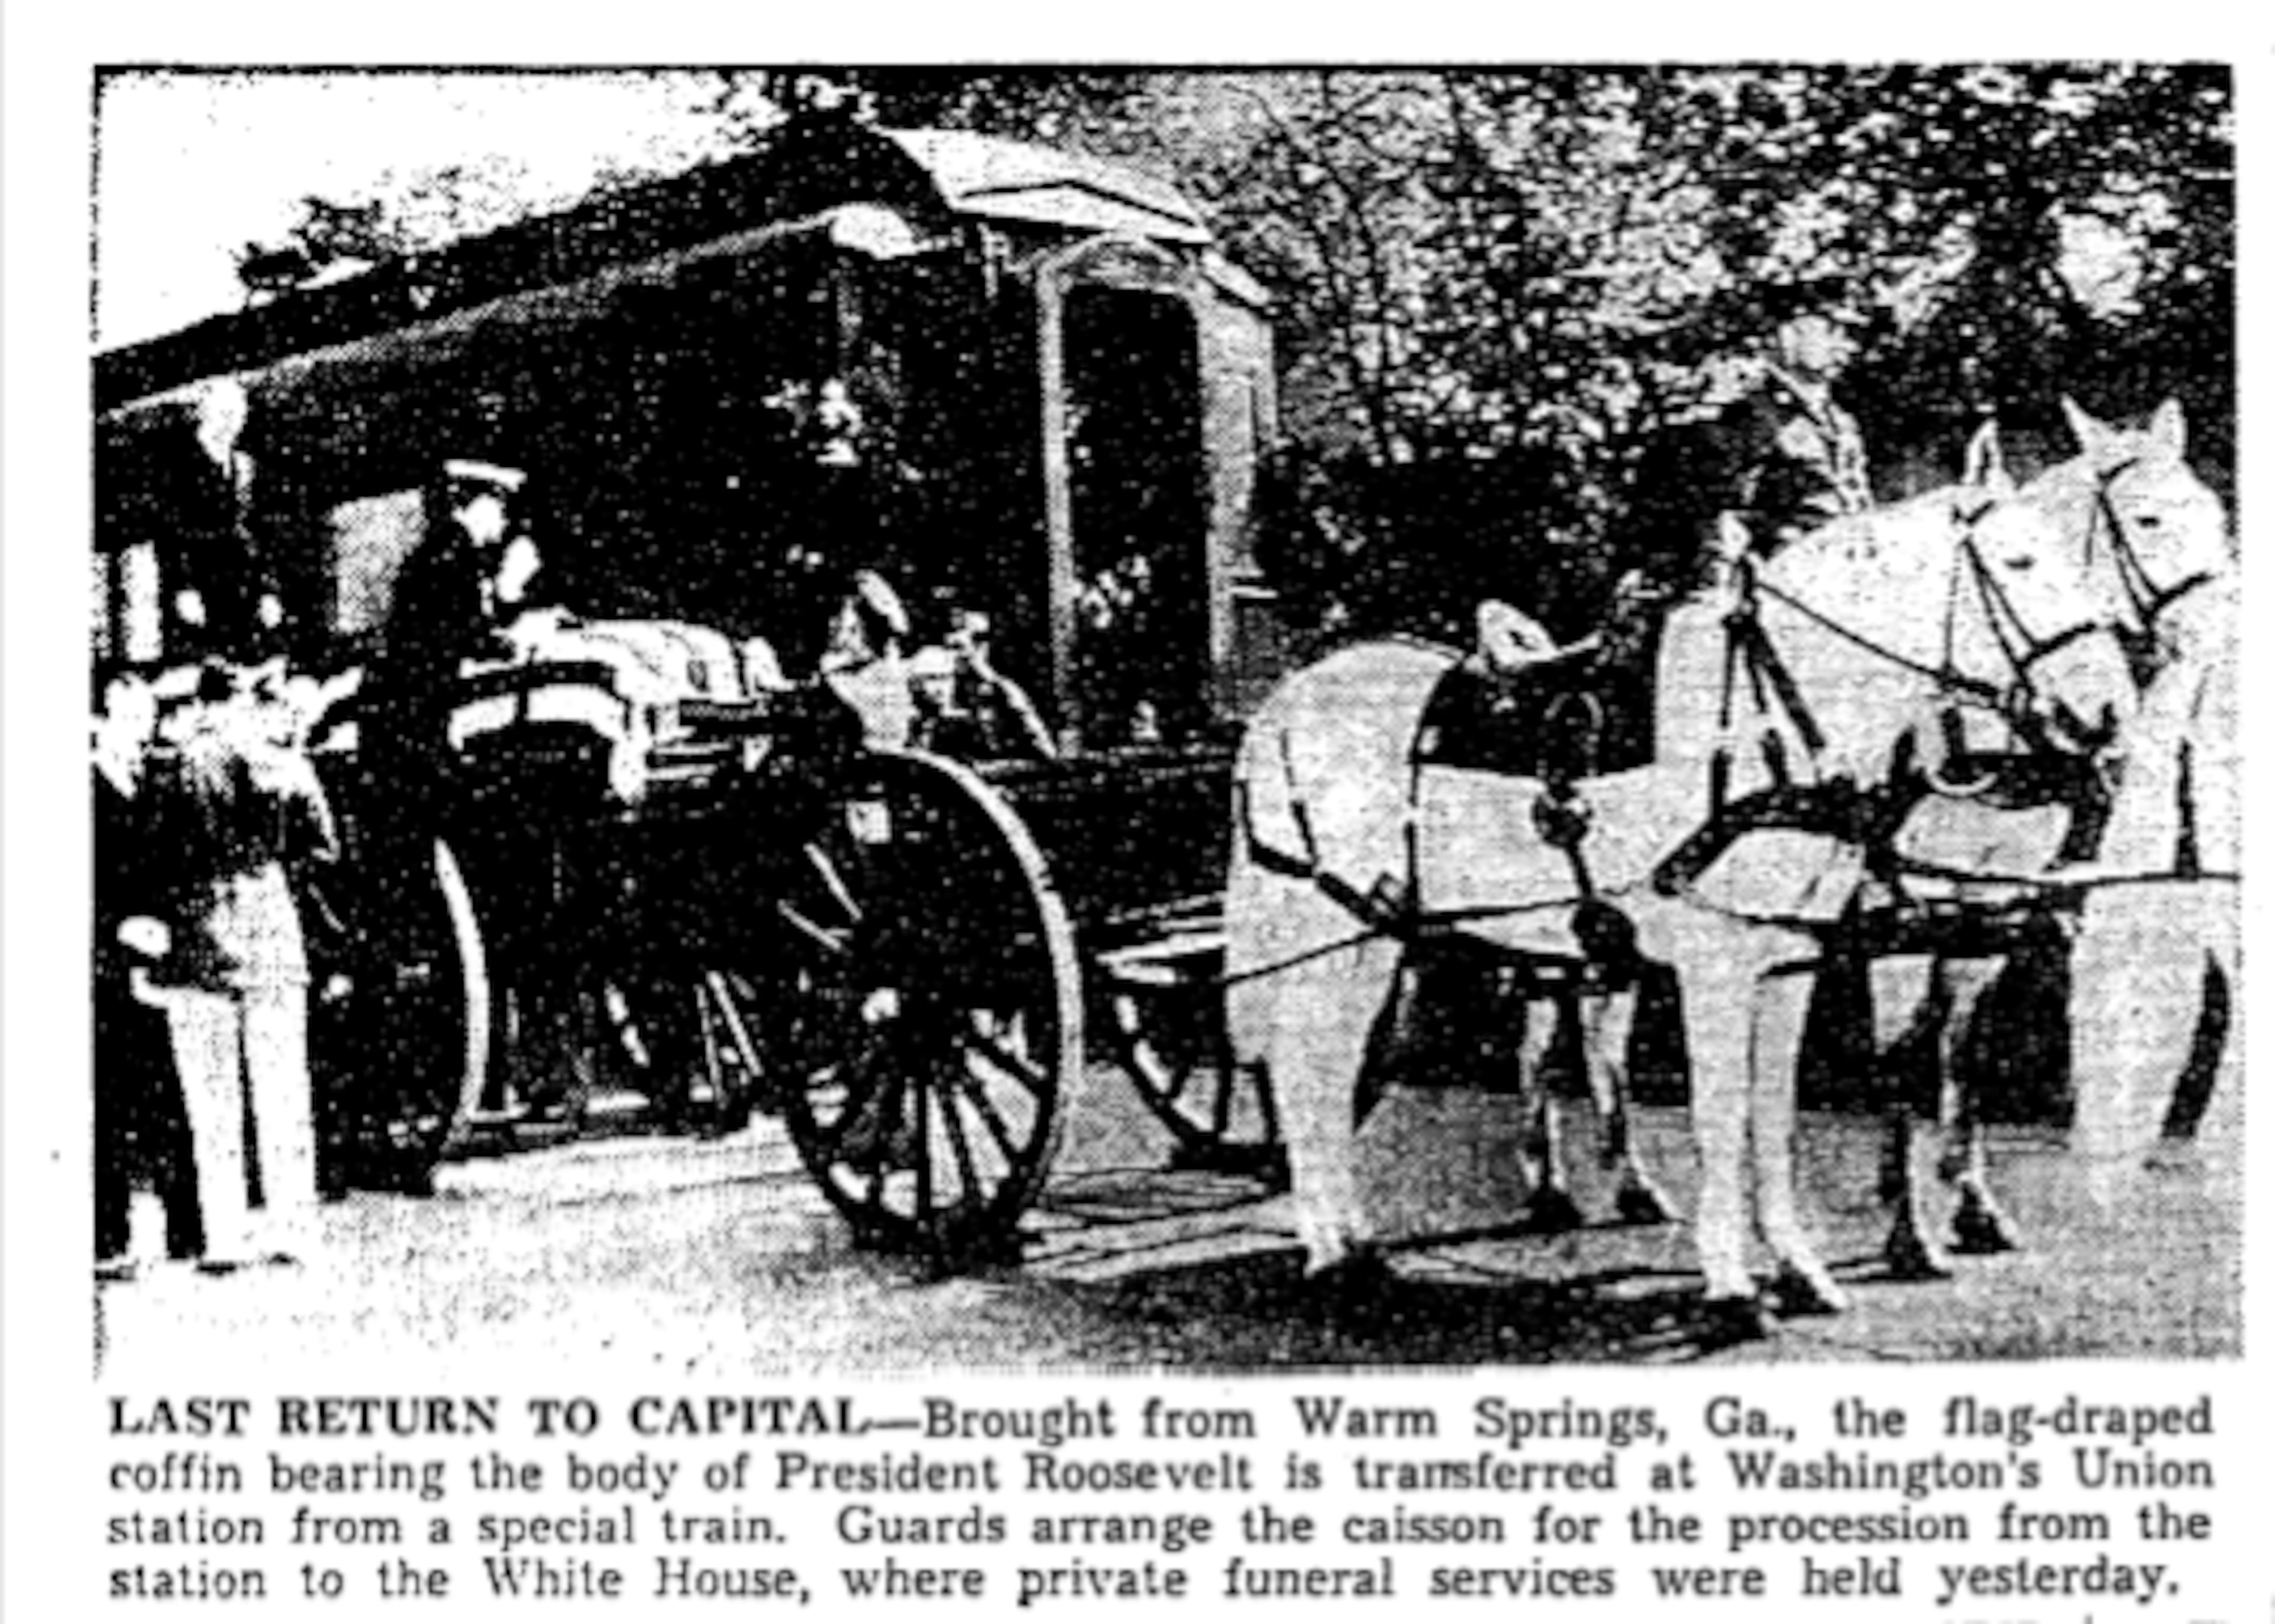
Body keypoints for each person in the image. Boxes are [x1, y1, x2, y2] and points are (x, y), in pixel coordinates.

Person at [140, 654, 339, 1270]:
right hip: (272, 932)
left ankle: (224, 1234)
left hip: (198, 937)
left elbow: (151, 852)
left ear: (199, 702)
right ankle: (293, 1226)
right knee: (283, 1094)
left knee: (212, 1103)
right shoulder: (281, 759)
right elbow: (323, 845)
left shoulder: (172, 765)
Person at [94, 669, 198, 1276]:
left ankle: (186, 1229)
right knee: (111, 1099)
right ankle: (108, 1238)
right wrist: (114, 928)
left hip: (154, 960)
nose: (141, 732)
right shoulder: (84, 789)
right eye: (129, 719)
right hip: (105, 963)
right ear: (102, 721)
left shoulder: (152, 784)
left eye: (147, 719)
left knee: (164, 1091)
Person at [1707, 283, 1874, 556]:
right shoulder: (1752, 414)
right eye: (1830, 331)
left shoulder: (1840, 421)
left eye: (1851, 335)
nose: (1847, 346)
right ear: (1788, 335)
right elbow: (1728, 520)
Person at [911, 606, 1058, 760]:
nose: (961, 654)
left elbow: (1042, 748)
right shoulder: (939, 688)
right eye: (954, 647)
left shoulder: (1001, 691)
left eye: (963, 647)